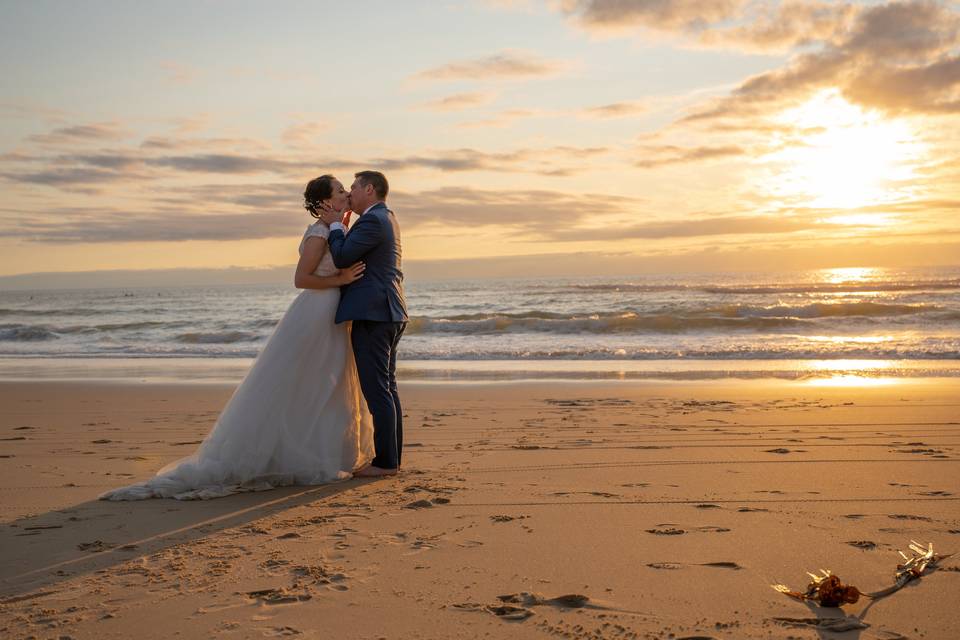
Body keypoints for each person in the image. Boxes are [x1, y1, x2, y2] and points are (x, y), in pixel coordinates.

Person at [100, 175, 373, 500]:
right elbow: (301, 279)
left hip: (331, 313)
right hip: (317, 313)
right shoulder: (319, 233)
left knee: (329, 386)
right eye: (340, 190)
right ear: (326, 202)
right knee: (311, 383)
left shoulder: (334, 229)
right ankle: (296, 459)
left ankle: (328, 454)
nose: (346, 194)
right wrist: (340, 278)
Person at [318, 171, 408, 477]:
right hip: (390, 311)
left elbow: (342, 257)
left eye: (354, 187)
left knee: (377, 389)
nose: (350, 193)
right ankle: (391, 459)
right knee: (387, 388)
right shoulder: (386, 217)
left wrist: (334, 226)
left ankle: (385, 463)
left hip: (375, 313)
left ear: (369, 189)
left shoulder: (371, 220)